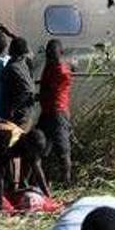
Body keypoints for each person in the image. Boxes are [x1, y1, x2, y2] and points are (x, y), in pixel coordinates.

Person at [38, 39, 74, 184]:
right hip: (48, 111)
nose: (50, 57)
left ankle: (67, 181)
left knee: (62, 150)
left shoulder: (60, 71)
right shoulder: (52, 66)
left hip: (57, 112)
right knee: (41, 146)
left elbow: (50, 89)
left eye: (52, 54)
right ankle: (44, 179)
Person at [1, 36, 38, 131]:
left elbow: (27, 90)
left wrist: (13, 108)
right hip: (27, 111)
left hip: (20, 114)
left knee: (17, 139)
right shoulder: (26, 61)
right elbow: (29, 51)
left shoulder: (13, 68)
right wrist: (9, 34)